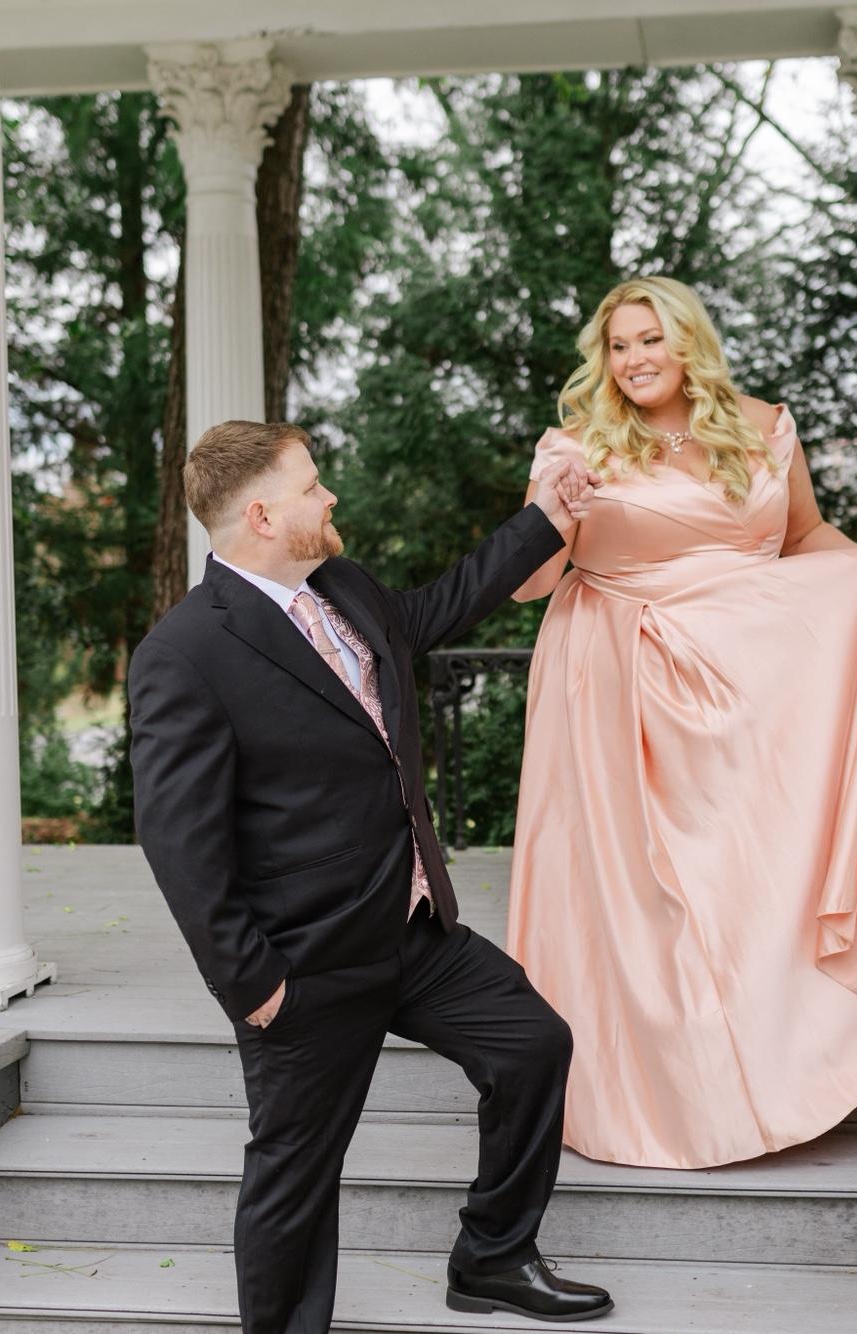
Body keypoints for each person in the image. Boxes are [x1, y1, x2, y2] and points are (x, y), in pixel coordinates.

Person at [129, 419, 613, 1332]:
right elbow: (180, 844)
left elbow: (437, 608)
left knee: (532, 1045)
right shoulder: (184, 654)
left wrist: (546, 518)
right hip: (306, 964)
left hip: (415, 930)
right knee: (295, 1177)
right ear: (263, 515)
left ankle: (493, 1258)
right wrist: (253, 985)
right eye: (312, 486)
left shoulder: (341, 586)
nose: (330, 496)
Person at [506, 276, 857, 1170]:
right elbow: (529, 584)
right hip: (621, 682)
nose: (633, 360)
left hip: (755, 684)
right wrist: (555, 509)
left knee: (753, 877)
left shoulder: (763, 427)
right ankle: (666, 1089)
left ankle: (784, 1067)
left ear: (688, 342)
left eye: (649, 340)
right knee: (651, 895)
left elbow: (806, 536)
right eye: (618, 346)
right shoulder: (577, 445)